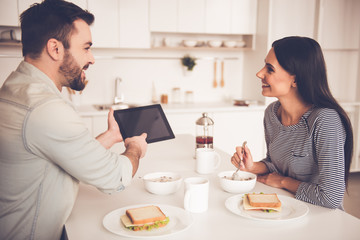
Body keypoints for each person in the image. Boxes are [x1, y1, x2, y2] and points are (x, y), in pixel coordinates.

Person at [0, 0, 147, 239]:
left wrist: (109, 137)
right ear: (55, 49)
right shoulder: (45, 109)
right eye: (86, 47)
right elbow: (114, 177)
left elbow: (63, 157)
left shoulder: (15, 87)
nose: (92, 58)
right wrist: (135, 148)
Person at [231, 36, 353, 209]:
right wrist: (253, 166)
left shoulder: (325, 120)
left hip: (320, 216)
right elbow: (278, 164)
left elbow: (331, 197)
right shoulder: (272, 113)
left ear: (295, 79)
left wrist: (283, 181)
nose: (259, 73)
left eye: (270, 69)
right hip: (287, 206)